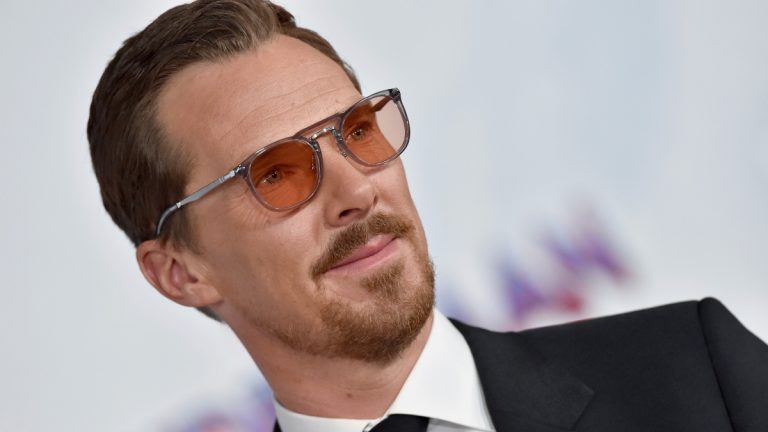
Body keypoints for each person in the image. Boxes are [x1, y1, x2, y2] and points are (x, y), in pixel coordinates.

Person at [87, 1, 768, 431]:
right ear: (180, 273)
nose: (358, 192)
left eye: (358, 132)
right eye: (276, 173)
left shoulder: (698, 373)